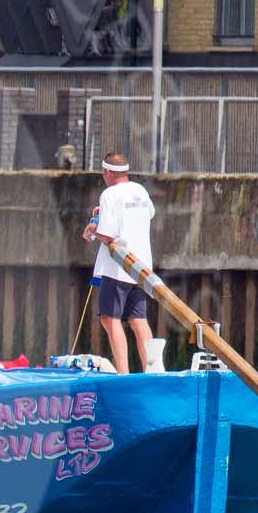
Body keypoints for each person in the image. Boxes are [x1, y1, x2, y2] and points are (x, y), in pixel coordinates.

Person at [80, 153, 158, 375]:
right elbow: (148, 214)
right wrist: (105, 213)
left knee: (109, 318)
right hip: (141, 266)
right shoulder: (140, 191)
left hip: (118, 267)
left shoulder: (110, 194)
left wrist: (92, 228)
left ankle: (123, 374)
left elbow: (106, 235)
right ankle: (152, 371)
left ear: (108, 172)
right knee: (138, 319)